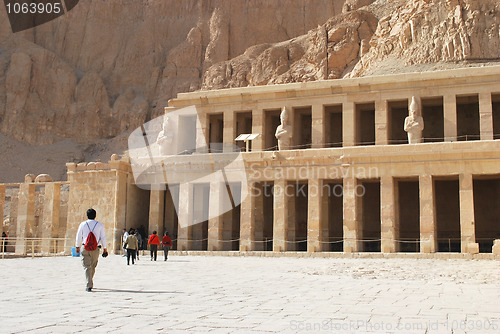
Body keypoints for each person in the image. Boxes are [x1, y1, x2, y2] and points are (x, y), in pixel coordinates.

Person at [75, 209, 108, 292]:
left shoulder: (83, 224)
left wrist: (77, 246)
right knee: (93, 266)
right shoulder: (100, 225)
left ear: (87, 215)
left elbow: (79, 235)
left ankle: (89, 282)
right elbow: (102, 237)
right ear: (95, 215)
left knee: (87, 267)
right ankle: (89, 282)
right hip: (96, 248)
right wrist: (105, 248)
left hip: (85, 247)